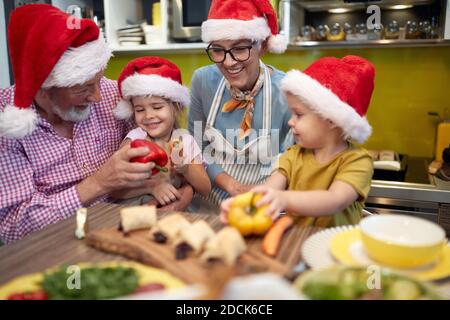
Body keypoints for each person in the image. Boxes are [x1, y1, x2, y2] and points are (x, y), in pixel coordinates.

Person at [0, 4, 154, 244]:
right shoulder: (7, 124)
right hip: (54, 243)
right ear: (42, 89)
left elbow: (169, 148)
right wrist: (99, 183)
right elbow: (12, 229)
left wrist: (180, 195)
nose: (98, 97)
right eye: (82, 89)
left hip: (129, 227)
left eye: (98, 81)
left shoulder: (113, 93)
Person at [222, 55, 375, 227]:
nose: (290, 121)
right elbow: (270, 190)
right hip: (296, 245)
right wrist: (244, 203)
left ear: (332, 119)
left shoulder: (356, 161)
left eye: (299, 115)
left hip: (335, 248)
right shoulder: (293, 155)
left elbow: (335, 200)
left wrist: (284, 198)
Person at [188, 0, 293, 209]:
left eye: (240, 49)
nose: (229, 62)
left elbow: (294, 161)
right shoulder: (203, 81)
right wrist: (231, 185)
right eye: (218, 50)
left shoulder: (287, 91)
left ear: (262, 46)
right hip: (208, 205)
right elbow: (196, 147)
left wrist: (259, 195)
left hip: (263, 204)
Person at [111, 57, 211, 207]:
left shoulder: (185, 141)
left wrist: (186, 169)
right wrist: (153, 187)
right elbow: (115, 190)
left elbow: (205, 188)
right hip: (135, 211)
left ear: (176, 108)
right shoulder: (134, 140)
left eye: (157, 107)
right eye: (140, 110)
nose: (148, 115)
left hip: (175, 211)